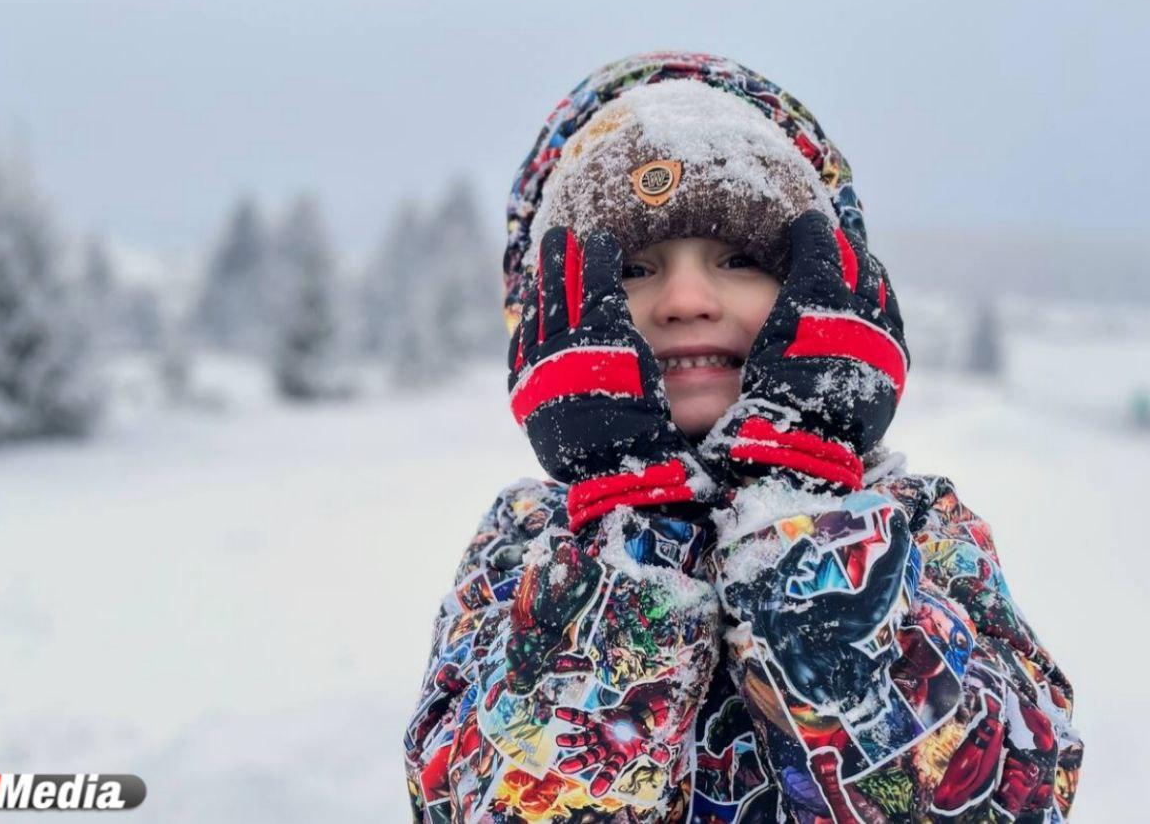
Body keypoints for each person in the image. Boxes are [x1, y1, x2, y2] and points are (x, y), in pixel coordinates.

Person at [403, 51, 1082, 822]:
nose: (687, 298)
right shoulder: (519, 551)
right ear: (553, 317)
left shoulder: (920, 530)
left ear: (825, 283)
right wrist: (629, 527)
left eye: (740, 258)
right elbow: (474, 802)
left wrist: (803, 511)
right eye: (630, 268)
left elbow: (1004, 799)